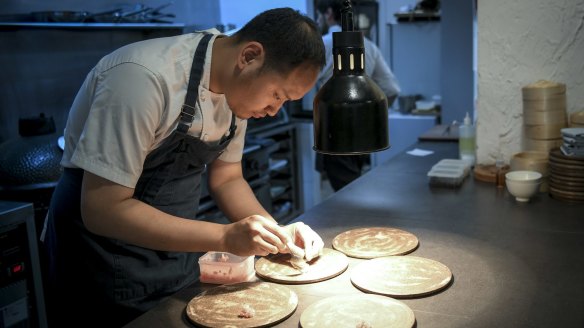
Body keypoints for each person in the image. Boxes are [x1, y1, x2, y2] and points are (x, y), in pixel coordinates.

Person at [42, 7, 325, 327]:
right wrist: (225, 237)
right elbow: (102, 208)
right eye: (277, 95)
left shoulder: (237, 94)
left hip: (171, 254)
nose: (275, 110)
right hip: (98, 263)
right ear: (249, 56)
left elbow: (228, 179)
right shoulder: (141, 78)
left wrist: (277, 234)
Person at [315, 0, 401, 191]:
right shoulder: (369, 46)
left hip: (333, 131)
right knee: (355, 186)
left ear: (329, 13)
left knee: (347, 191)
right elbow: (392, 88)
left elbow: (299, 90)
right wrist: (372, 117)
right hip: (364, 133)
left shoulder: (320, 45)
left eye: (320, 15)